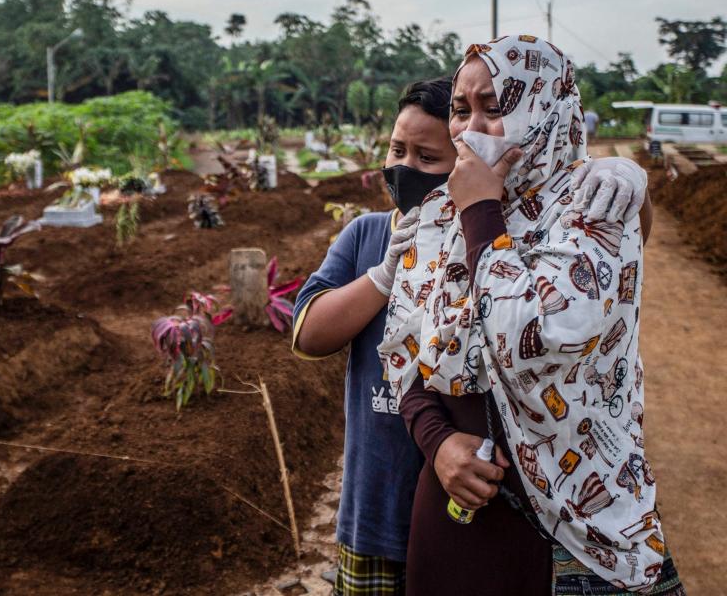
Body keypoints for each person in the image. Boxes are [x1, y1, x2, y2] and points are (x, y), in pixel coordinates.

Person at [292, 77, 651, 595]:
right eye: (397, 149)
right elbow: (308, 335)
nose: (405, 167)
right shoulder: (368, 235)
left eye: (427, 156)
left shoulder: (501, 242)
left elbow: (595, 276)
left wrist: (631, 185)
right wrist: (382, 277)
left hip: (470, 516)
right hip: (377, 511)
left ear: (466, 161)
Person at [380, 35, 684, 595]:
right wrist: (437, 442)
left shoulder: (595, 205)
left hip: (570, 523)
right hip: (455, 509)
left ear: (546, 109)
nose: (470, 128)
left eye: (495, 108)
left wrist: (480, 212)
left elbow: (533, 337)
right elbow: (404, 351)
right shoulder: (436, 217)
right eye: (460, 109)